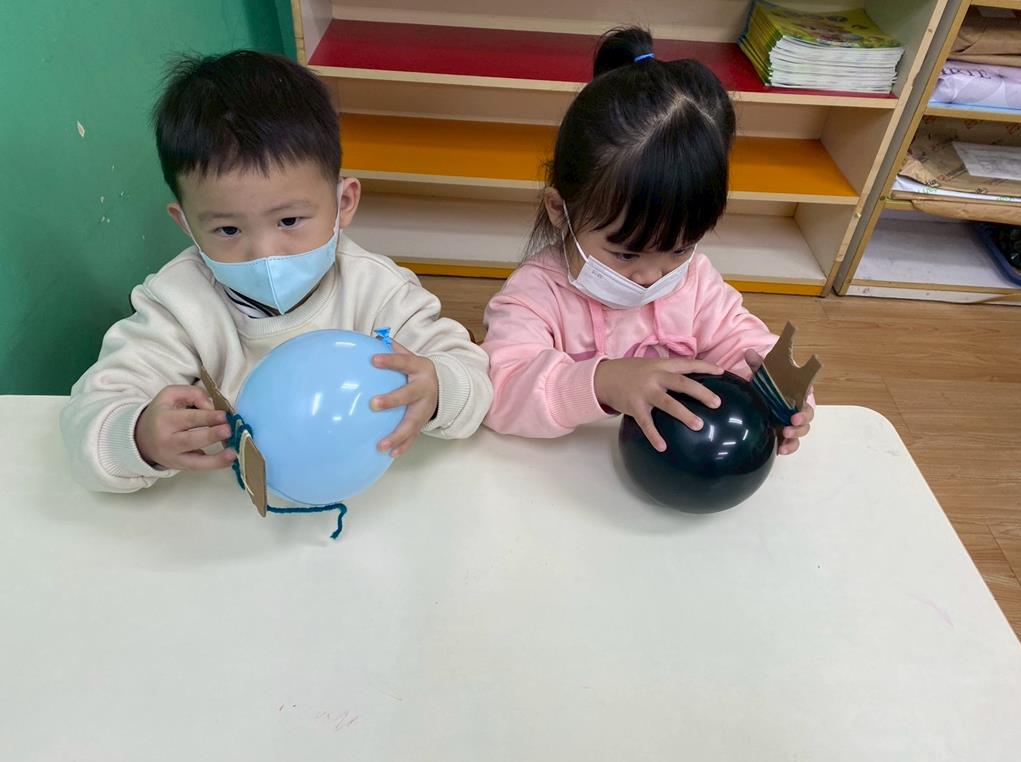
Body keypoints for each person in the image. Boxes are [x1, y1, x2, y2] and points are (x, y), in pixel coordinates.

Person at [62, 50, 491, 493]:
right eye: (228, 229)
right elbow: (87, 419)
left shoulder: (378, 290)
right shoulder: (177, 306)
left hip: (368, 499)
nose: (263, 253)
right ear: (187, 224)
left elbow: (473, 381)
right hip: (223, 512)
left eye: (289, 221)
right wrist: (138, 437)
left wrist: (436, 388)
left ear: (343, 203)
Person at [483, 28, 813, 454]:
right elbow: (498, 389)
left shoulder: (695, 284)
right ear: (559, 209)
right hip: (565, 473)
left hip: (674, 471)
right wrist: (601, 383)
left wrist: (775, 391)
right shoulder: (535, 296)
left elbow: (739, 339)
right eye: (626, 253)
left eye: (679, 249)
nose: (651, 275)